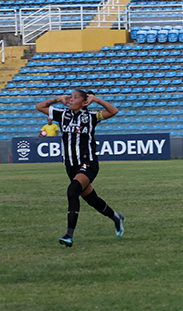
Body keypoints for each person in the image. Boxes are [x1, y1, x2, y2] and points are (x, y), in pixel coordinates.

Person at [35, 90, 124, 247]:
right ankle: (116, 217)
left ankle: (69, 235)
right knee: (92, 199)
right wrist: (58, 99)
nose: (71, 99)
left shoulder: (91, 117)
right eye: (70, 96)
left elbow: (113, 111)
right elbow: (39, 106)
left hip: (88, 162)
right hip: (71, 166)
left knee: (72, 190)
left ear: (84, 102)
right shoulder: (62, 114)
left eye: (75, 97)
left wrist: (96, 99)